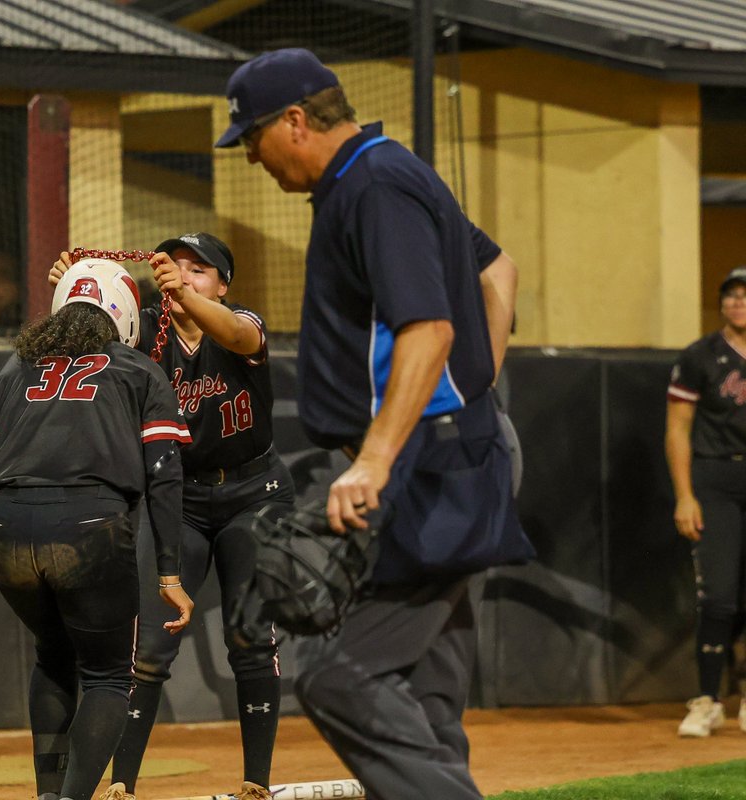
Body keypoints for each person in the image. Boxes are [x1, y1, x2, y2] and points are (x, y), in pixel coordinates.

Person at [215, 48, 535, 800]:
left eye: (252, 138)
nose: (251, 157)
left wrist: (377, 460)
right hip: (446, 447)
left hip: (422, 463)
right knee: (427, 691)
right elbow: (500, 273)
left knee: (339, 678)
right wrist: (472, 390)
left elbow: (428, 332)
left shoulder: (374, 185)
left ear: (295, 121)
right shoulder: (384, 171)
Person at [52, 233, 295, 800]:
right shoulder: (146, 338)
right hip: (179, 501)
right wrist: (70, 289)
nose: (184, 277)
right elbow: (85, 341)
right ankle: (122, 786)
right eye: (176, 268)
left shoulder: (241, 324)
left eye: (200, 269)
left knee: (251, 637)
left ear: (223, 284)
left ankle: (255, 782)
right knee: (150, 649)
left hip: (254, 494)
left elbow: (237, 333)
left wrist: (190, 301)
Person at [0, 258, 195, 800]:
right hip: (89, 526)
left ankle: (47, 792)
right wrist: (170, 576)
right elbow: (164, 475)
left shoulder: (13, 368)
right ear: (127, 317)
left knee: (52, 654)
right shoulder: (138, 369)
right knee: (109, 675)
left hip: (6, 530)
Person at [666, 265, 746, 738]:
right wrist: (684, 495)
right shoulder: (700, 356)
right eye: (731, 295)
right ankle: (707, 699)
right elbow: (677, 429)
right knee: (717, 595)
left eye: (745, 295)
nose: (738, 303)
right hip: (715, 477)